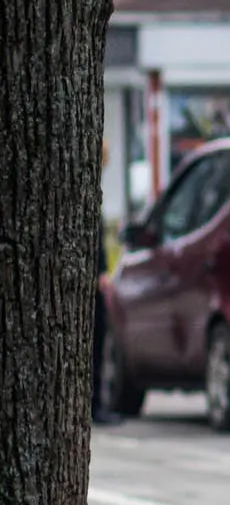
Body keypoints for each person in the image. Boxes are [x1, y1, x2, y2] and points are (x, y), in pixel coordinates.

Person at [93, 138, 123, 426]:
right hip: (95, 281)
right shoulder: (89, 192)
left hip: (97, 277)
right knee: (96, 341)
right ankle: (95, 404)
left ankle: (96, 403)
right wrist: (101, 272)